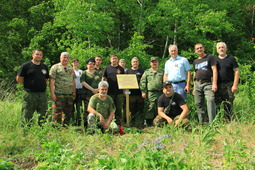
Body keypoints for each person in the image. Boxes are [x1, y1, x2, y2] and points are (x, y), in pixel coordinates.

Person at [16, 49, 49, 126]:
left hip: (42, 94)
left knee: (43, 112)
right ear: (33, 55)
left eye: (40, 55)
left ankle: (42, 129)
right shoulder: (26, 66)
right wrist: (28, 84)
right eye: (37, 54)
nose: (39, 56)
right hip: (29, 93)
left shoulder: (44, 66)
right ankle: (26, 130)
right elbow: (19, 78)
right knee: (27, 112)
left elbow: (46, 78)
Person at [193, 43, 217, 124]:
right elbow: (195, 73)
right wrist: (194, 86)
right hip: (197, 84)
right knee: (198, 103)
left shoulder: (210, 57)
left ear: (204, 48)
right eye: (197, 48)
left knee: (210, 101)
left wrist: (214, 83)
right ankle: (202, 122)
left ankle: (212, 123)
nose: (199, 49)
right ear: (195, 50)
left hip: (208, 83)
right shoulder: (195, 61)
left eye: (201, 48)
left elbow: (214, 70)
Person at [49, 52, 76, 126]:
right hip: (58, 93)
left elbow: (73, 80)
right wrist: (52, 94)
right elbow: (51, 81)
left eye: (67, 57)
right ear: (60, 58)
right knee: (57, 112)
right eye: (64, 57)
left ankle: (65, 127)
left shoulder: (70, 68)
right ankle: (56, 128)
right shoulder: (55, 67)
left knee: (68, 112)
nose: (65, 59)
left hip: (69, 94)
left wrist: (74, 93)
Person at [215, 42, 239, 121]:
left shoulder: (231, 59)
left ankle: (228, 121)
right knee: (217, 104)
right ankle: (218, 120)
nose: (221, 49)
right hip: (217, 85)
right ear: (217, 50)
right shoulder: (215, 60)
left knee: (228, 104)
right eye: (219, 48)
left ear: (226, 49)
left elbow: (236, 71)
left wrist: (235, 85)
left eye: (223, 47)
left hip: (229, 84)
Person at [140, 57, 164, 126]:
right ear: (150, 63)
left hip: (160, 92)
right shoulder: (147, 72)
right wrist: (143, 91)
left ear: (158, 63)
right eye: (152, 62)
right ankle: (149, 121)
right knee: (150, 106)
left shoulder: (162, 71)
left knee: (160, 106)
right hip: (150, 92)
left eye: (155, 62)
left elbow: (165, 81)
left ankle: (159, 121)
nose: (154, 63)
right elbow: (143, 82)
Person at [102, 54, 125, 125]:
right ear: (110, 60)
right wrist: (102, 89)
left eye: (115, 58)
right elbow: (103, 78)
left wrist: (124, 90)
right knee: (109, 108)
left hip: (119, 92)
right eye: (113, 58)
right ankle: (108, 122)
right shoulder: (107, 68)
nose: (114, 60)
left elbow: (124, 80)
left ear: (117, 60)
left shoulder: (121, 69)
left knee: (119, 108)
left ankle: (119, 123)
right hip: (109, 91)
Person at [80, 58, 101, 125]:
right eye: (89, 64)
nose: (91, 65)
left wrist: (98, 90)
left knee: (96, 109)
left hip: (96, 94)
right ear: (87, 65)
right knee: (87, 109)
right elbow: (83, 82)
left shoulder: (97, 73)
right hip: (87, 94)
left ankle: (96, 123)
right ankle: (85, 124)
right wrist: (92, 90)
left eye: (93, 64)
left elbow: (100, 82)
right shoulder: (84, 73)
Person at [126, 57, 145, 128]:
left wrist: (144, 91)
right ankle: (131, 123)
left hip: (140, 93)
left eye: (136, 61)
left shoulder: (141, 70)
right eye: (134, 62)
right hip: (131, 94)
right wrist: (125, 91)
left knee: (140, 109)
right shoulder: (128, 71)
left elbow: (144, 82)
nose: (135, 63)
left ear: (138, 63)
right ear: (131, 63)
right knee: (131, 109)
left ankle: (140, 123)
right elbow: (124, 81)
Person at [71, 58, 85, 126]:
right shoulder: (70, 71)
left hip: (80, 90)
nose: (75, 63)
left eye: (77, 62)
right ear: (72, 63)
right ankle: (73, 122)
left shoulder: (81, 71)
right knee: (71, 107)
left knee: (79, 107)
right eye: (74, 62)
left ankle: (79, 122)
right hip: (72, 90)